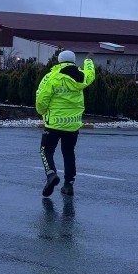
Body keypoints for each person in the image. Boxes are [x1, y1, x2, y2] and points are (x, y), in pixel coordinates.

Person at [35, 49, 95, 197]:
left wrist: (42, 111)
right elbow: (91, 74)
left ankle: (51, 175)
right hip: (73, 124)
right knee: (68, 152)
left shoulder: (52, 77)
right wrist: (88, 61)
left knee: (46, 150)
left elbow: (42, 98)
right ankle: (69, 185)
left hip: (54, 124)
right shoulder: (81, 76)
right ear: (73, 61)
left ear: (59, 61)